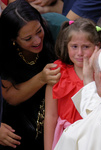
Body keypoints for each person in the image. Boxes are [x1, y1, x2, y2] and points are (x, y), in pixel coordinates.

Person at [0, 0, 61, 149]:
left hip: (52, 126)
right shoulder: (4, 54)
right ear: (13, 39)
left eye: (39, 30)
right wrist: (41, 78)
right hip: (17, 133)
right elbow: (10, 97)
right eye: (27, 38)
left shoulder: (55, 30)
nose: (37, 40)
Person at [44, 18, 101, 150]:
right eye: (74, 47)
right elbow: (50, 116)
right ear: (66, 46)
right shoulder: (58, 72)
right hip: (64, 139)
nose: (80, 53)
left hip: (94, 139)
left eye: (86, 47)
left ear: (97, 46)